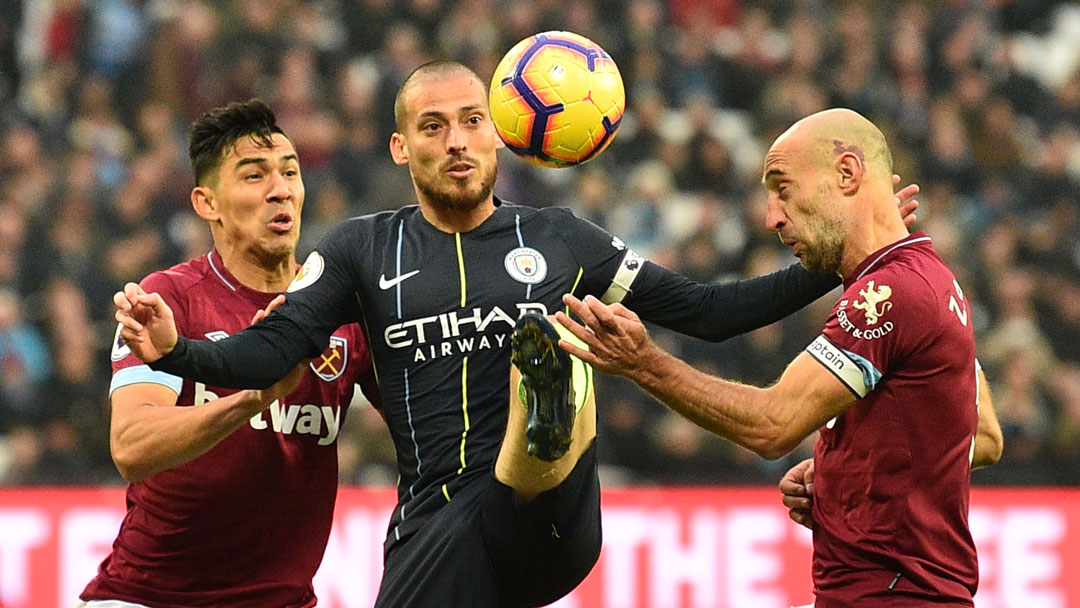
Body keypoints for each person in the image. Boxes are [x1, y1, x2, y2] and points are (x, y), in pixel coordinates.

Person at [112, 64, 917, 608]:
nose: (456, 141)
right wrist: (177, 353)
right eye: (433, 127)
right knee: (467, 505)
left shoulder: (566, 241)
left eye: (470, 122)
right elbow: (268, 350)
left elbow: (708, 311)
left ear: (500, 131)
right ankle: (546, 395)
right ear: (402, 148)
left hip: (551, 518)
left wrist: (846, 257)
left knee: (539, 423)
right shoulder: (358, 251)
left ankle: (549, 400)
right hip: (433, 527)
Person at [556, 108, 1002, 606]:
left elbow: (772, 426)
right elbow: (981, 437)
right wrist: (844, 475)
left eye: (783, 189)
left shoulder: (887, 296)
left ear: (848, 174)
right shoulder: (934, 277)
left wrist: (643, 362)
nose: (772, 217)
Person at [80, 99, 378, 608]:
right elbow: (131, 447)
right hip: (149, 597)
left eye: (290, 172)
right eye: (254, 176)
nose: (280, 189)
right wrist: (253, 398)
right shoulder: (169, 299)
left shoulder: (344, 311)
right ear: (206, 203)